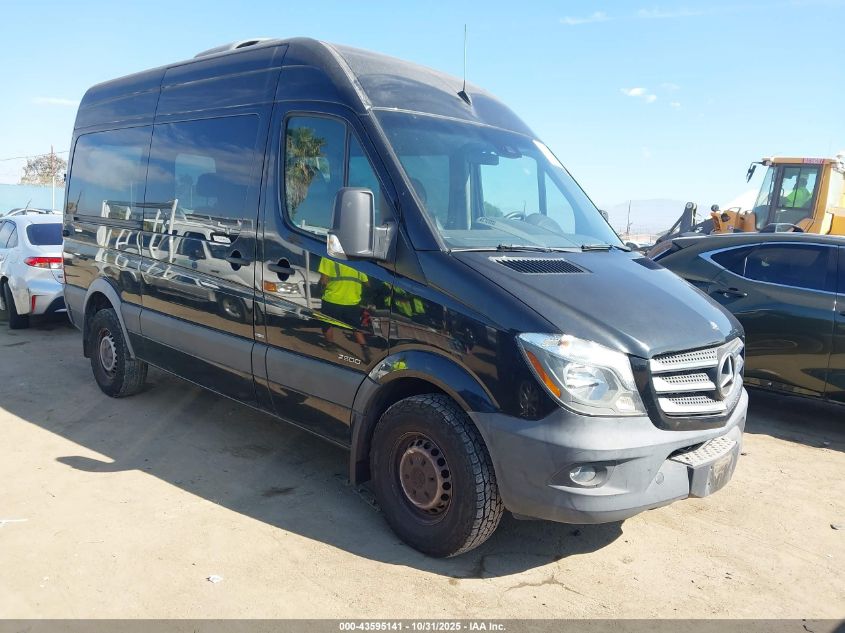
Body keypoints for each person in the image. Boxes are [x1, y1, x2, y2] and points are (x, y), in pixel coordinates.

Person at [318, 256, 368, 349]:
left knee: (326, 323)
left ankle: (330, 345)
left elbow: (324, 281)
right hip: (352, 301)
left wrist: (320, 291)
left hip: (332, 299)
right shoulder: (358, 260)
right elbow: (366, 283)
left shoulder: (328, 257)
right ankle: (365, 348)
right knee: (355, 327)